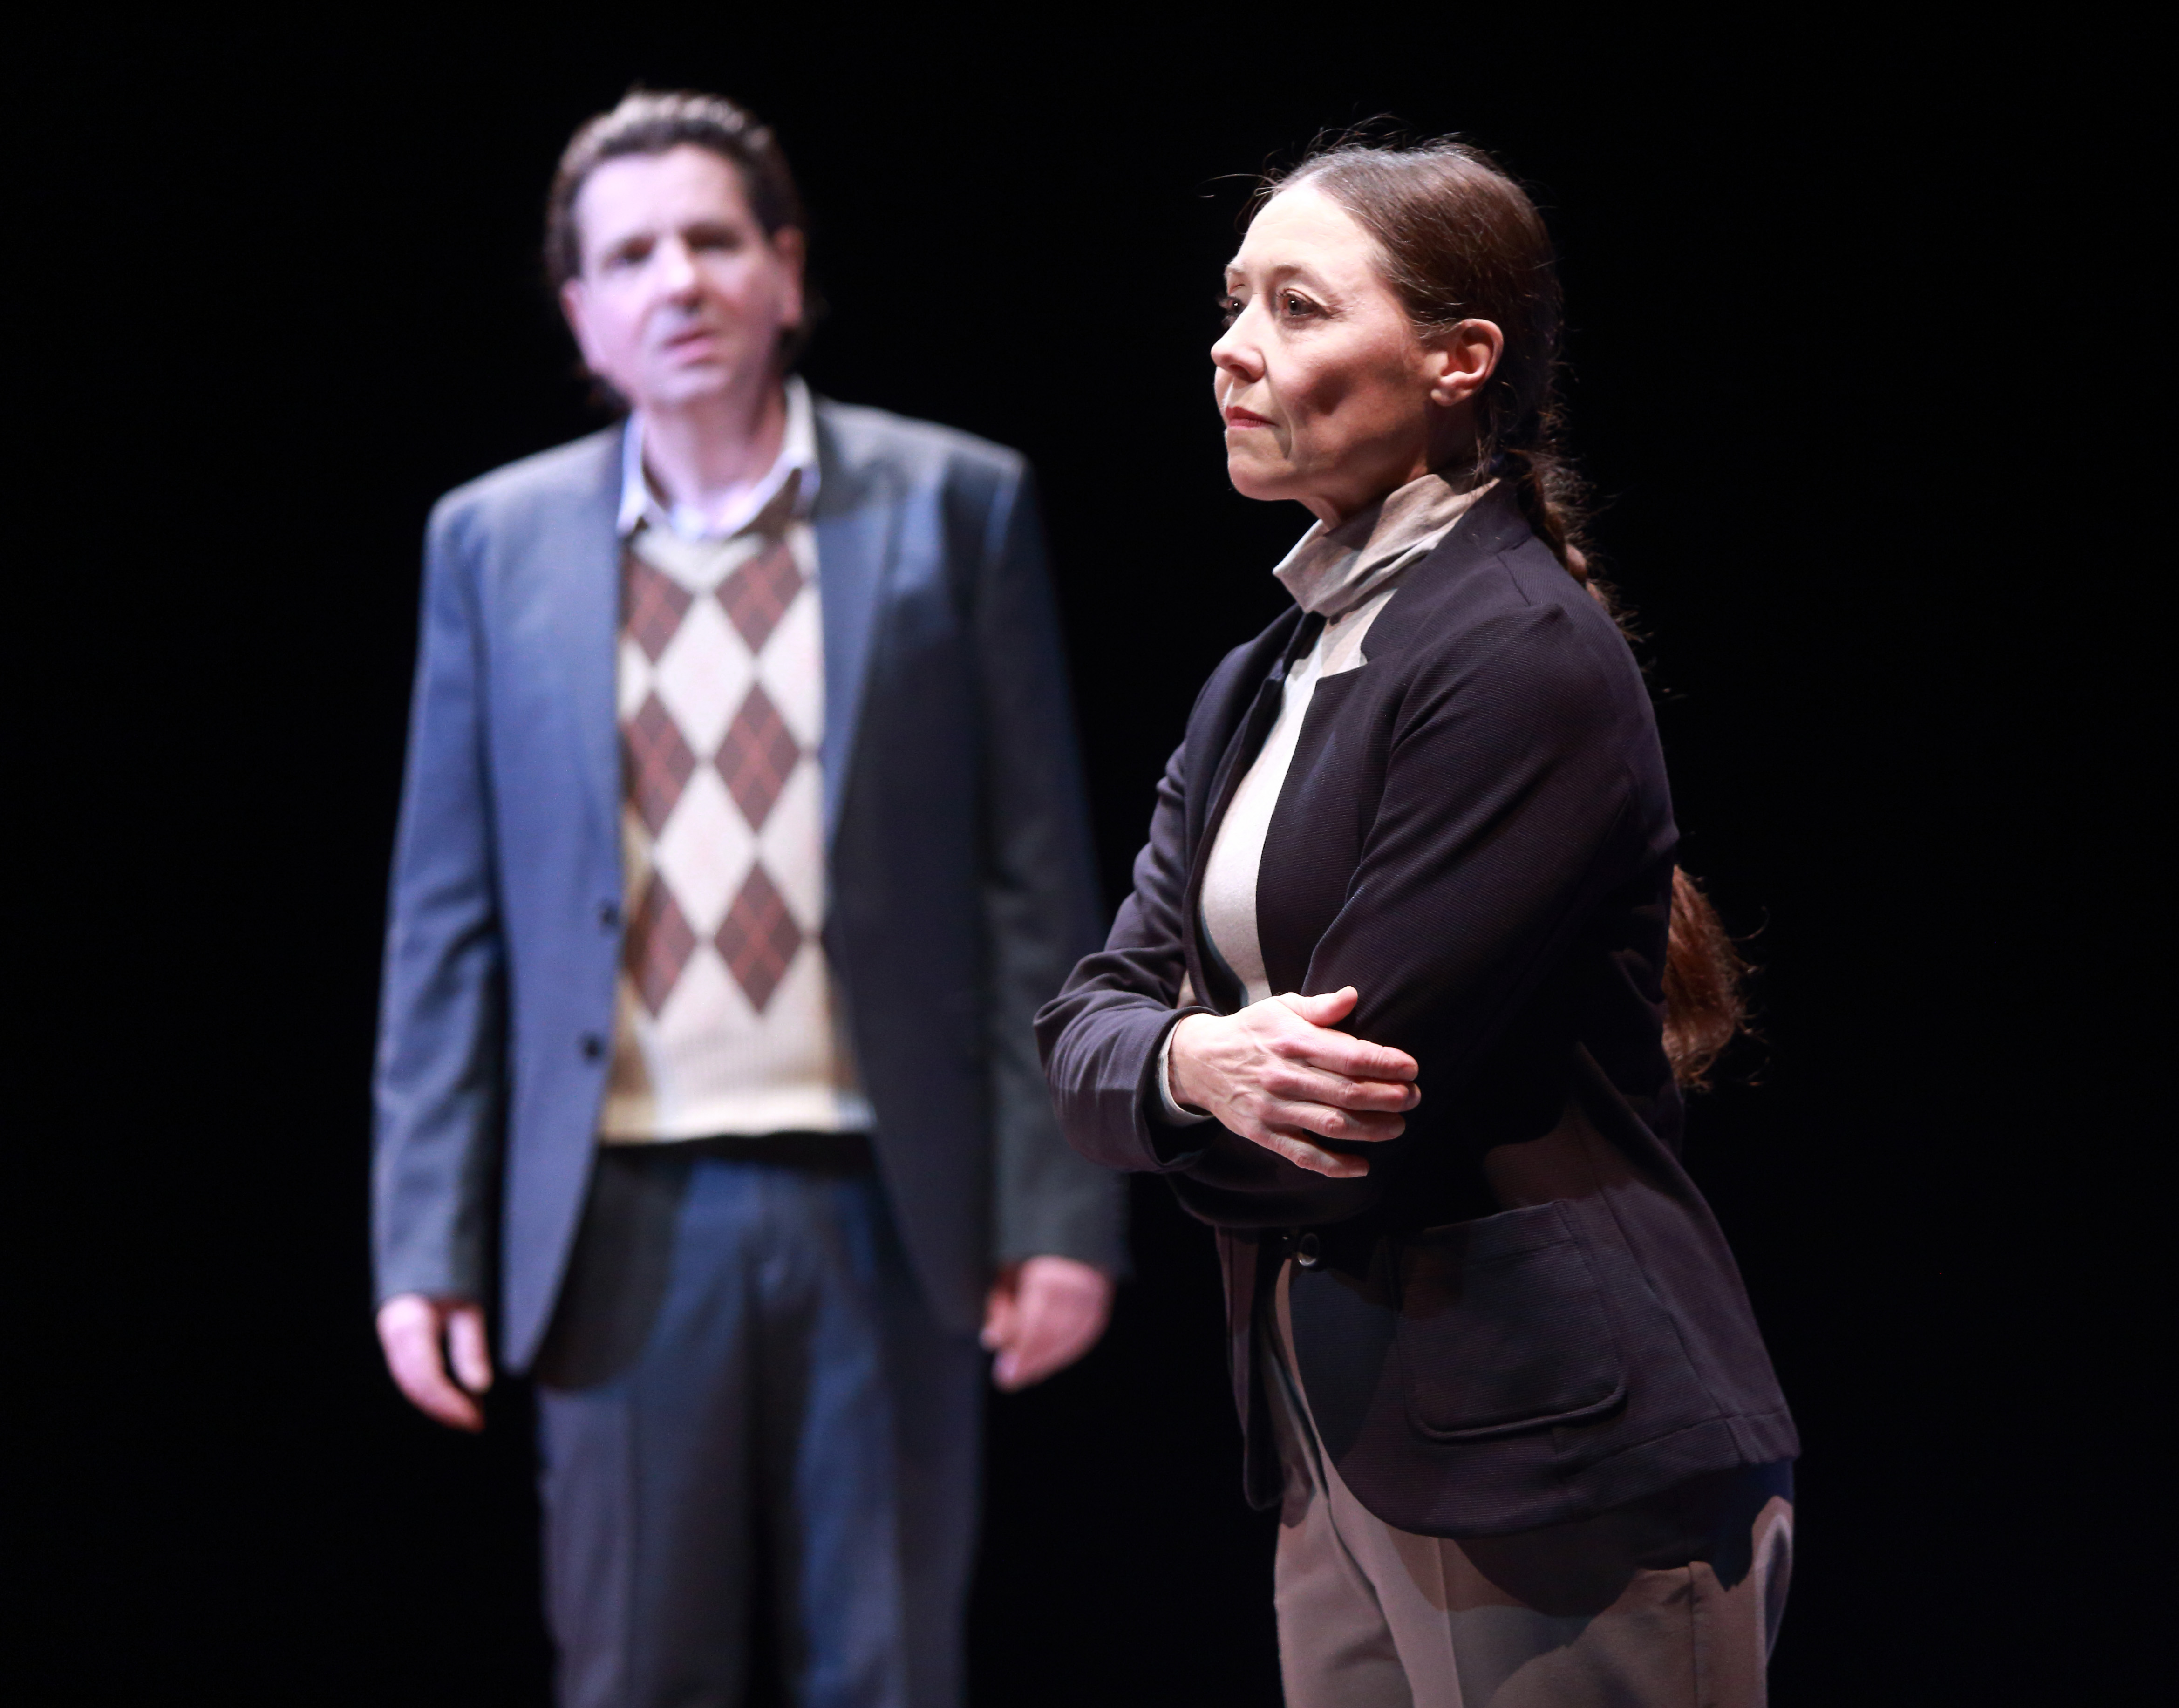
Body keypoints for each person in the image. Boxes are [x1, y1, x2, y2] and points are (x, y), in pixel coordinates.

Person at [372, 90, 1121, 1708]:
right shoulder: (492, 542)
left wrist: (1060, 1209)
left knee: (892, 1663)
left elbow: (1032, 888)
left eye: (714, 239)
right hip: (617, 1214)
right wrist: (423, 1239)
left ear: (786, 269)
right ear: (581, 311)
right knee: (637, 1669)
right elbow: (447, 923)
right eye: (631, 255)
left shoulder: (954, 504)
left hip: (888, 1200)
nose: (680, 281)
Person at [1039, 139, 1798, 1705]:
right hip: (1340, 1431)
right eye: (1234, 300)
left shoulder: (1516, 655)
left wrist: (1169, 1083)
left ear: (1458, 360)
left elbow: (1344, 1110)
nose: (1233, 345)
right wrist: (1188, 1064)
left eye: (1299, 305)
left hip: (1552, 1450)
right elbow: (1081, 1033)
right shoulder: (1257, 678)